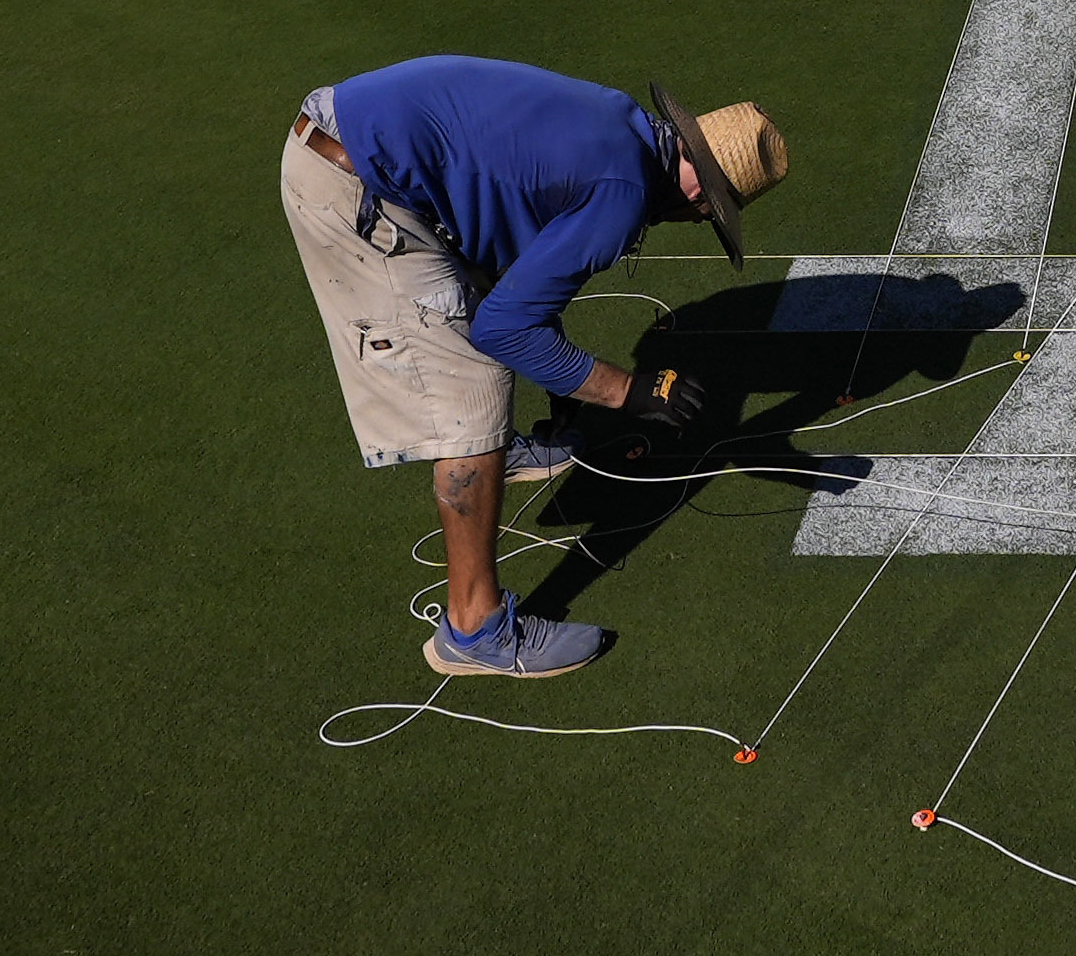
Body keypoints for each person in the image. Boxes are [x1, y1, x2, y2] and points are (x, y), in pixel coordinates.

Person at [278, 60, 789, 682]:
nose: (695, 222)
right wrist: (628, 393)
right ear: (697, 192)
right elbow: (504, 329)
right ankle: (474, 629)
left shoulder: (619, 123)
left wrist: (566, 396)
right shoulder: (625, 195)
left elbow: (517, 267)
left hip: (346, 137)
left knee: (483, 301)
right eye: (710, 213)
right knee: (472, 388)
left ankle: (514, 456)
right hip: (358, 187)